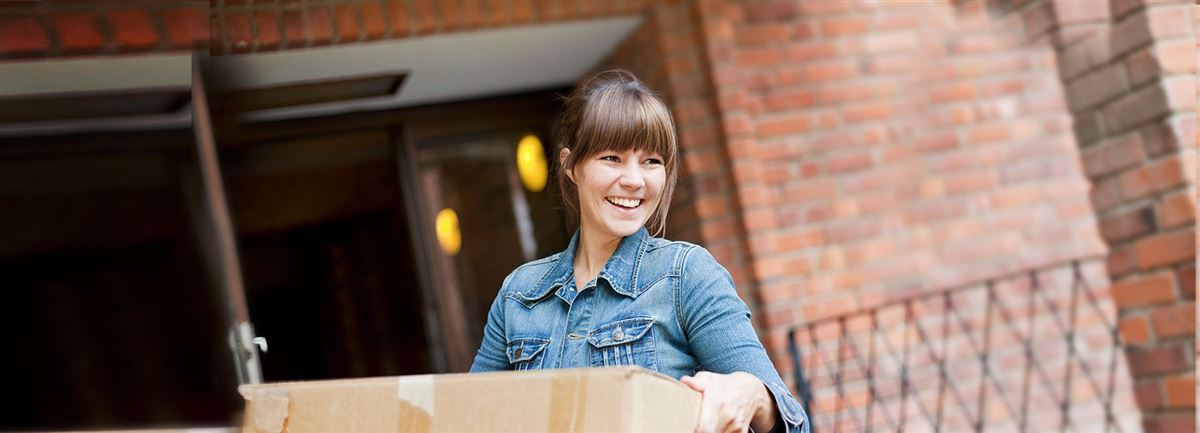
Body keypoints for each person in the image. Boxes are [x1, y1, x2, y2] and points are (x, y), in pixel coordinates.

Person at [469, 70, 809, 433]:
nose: (634, 179)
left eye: (651, 161)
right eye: (612, 158)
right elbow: (468, 416)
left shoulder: (685, 274)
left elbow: (789, 419)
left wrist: (751, 394)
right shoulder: (518, 295)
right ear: (570, 165)